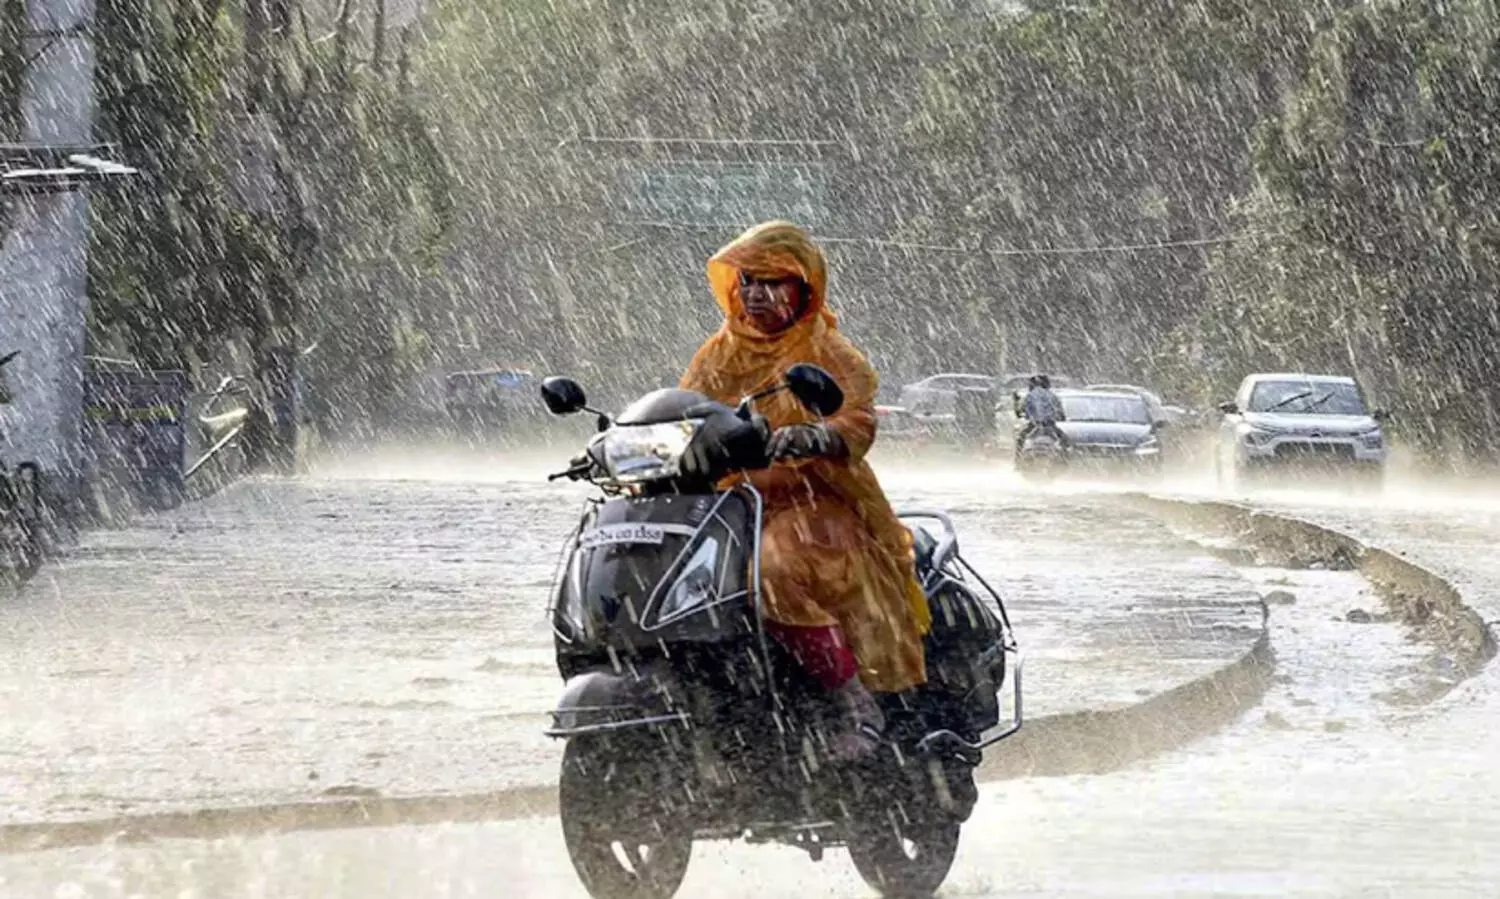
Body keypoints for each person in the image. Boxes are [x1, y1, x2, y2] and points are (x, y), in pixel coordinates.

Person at [680, 221, 932, 762]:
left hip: (814, 499)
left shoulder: (829, 353)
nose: (757, 294)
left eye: (774, 282)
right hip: (727, 504)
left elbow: (858, 421)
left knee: (771, 571)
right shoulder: (717, 354)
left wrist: (820, 434)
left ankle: (852, 701)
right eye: (748, 280)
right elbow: (685, 412)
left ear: (805, 290)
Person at [1016, 374, 1067, 450]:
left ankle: (1018, 457)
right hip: (1050, 424)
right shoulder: (1053, 396)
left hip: (1034, 425)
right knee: (1064, 440)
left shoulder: (1029, 396)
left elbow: (1021, 410)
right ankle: (1065, 458)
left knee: (1020, 438)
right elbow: (1060, 411)